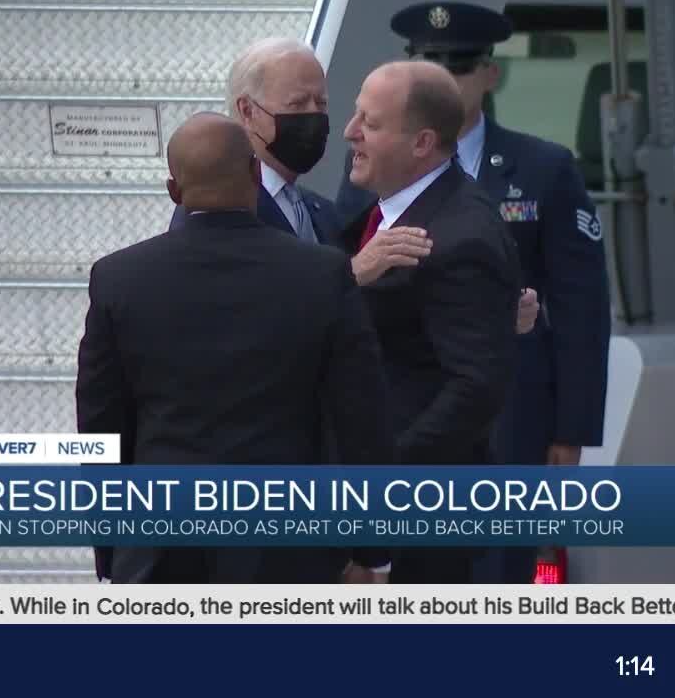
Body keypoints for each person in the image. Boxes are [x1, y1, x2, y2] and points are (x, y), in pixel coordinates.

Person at [338, 2, 612, 583]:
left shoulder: (543, 167)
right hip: (408, 415)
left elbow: (582, 303)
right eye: (428, 62)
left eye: (458, 66)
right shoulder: (370, 170)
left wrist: (572, 428)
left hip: (506, 407)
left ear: (489, 73)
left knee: (501, 573)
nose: (444, 77)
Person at [77, 113, 392, 584]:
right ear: (252, 174)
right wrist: (370, 551)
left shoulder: (119, 278)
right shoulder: (323, 274)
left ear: (174, 192)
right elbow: (361, 417)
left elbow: (101, 424)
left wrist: (111, 545)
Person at [171, 37, 540, 332]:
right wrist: (349, 275)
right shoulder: (213, 213)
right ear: (248, 111)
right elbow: (230, 319)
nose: (315, 117)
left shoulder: (324, 215)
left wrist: (485, 313)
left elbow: (365, 316)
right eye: (298, 104)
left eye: (322, 102)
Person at [340, 60, 521, 583]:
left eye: (369, 124)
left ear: (421, 143)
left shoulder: (458, 235)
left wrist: (385, 486)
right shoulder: (377, 213)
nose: (350, 132)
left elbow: (475, 386)